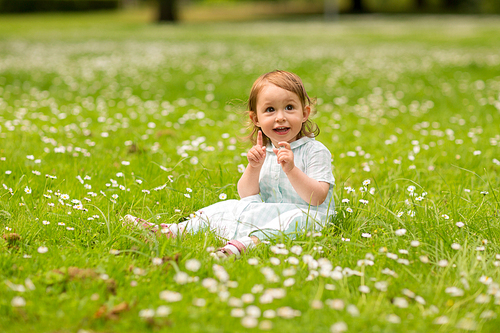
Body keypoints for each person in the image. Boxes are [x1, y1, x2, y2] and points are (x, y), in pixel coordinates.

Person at [124, 70, 335, 258]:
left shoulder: (314, 151)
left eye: (289, 107)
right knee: (228, 207)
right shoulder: (266, 151)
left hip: (309, 217)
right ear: (256, 119)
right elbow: (247, 196)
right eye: (270, 110)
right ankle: (172, 230)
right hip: (270, 212)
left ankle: (247, 244)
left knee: (297, 220)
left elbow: (317, 198)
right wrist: (254, 167)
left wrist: (291, 170)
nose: (280, 117)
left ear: (304, 113)